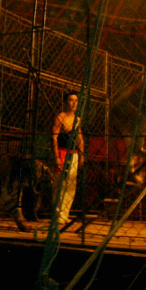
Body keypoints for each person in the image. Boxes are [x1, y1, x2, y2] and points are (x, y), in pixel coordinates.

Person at [51, 90, 85, 226]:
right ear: (66, 102)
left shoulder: (78, 119)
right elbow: (54, 137)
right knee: (60, 184)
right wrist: (56, 157)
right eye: (71, 100)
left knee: (71, 185)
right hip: (62, 152)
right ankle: (58, 214)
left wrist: (82, 155)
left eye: (76, 101)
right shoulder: (61, 117)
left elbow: (80, 139)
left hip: (74, 153)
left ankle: (64, 214)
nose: (74, 103)